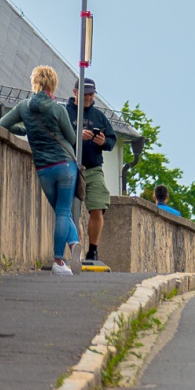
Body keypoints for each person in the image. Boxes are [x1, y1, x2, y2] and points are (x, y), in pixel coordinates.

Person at [0, 66, 80, 275]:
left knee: (60, 211)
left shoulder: (23, 107)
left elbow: (4, 124)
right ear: (52, 85)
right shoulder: (58, 109)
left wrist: (22, 130)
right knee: (63, 211)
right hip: (65, 166)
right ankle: (59, 261)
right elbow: (72, 139)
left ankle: (73, 244)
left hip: (44, 169)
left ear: (34, 83)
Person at [66, 78, 117, 266]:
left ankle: (93, 251)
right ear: (75, 92)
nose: (88, 97)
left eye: (91, 94)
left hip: (93, 169)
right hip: (70, 166)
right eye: (84, 93)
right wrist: (77, 135)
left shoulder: (99, 116)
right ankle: (73, 250)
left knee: (97, 207)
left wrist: (102, 142)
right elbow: (57, 134)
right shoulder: (65, 112)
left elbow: (112, 141)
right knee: (71, 210)